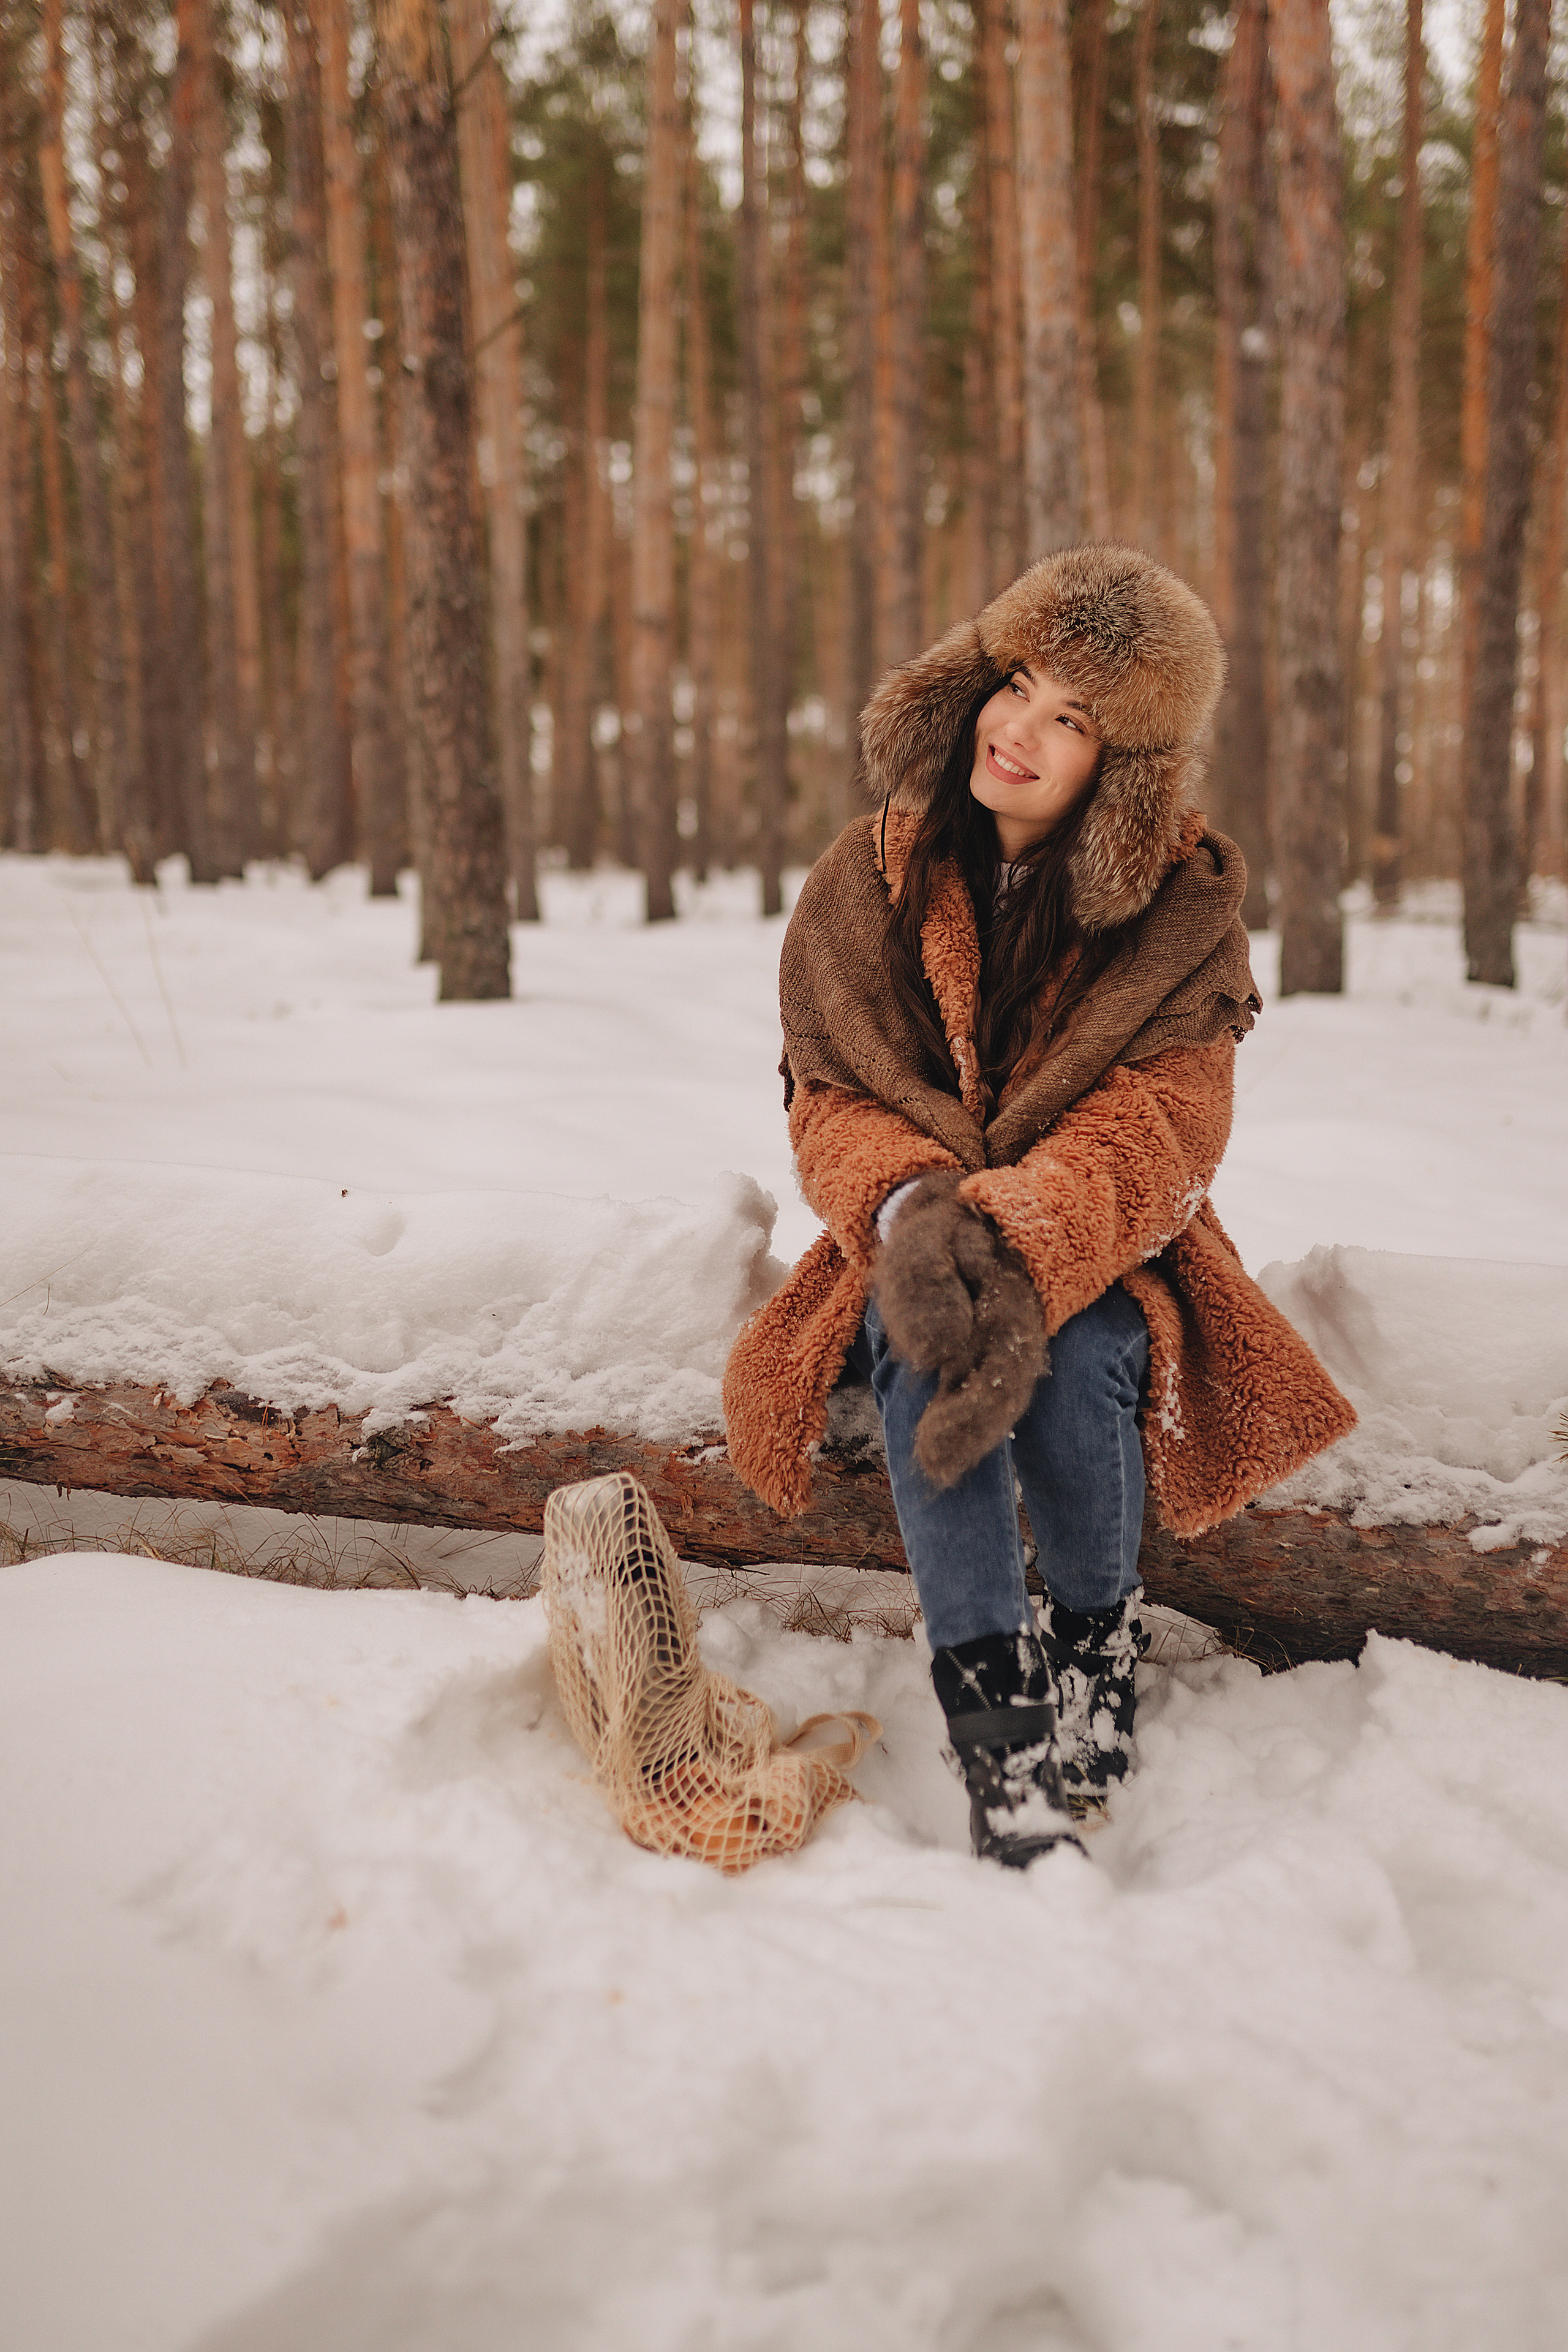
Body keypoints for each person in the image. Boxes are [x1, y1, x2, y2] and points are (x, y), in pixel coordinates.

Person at [723, 544, 1357, 1868]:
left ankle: (1091, 1647)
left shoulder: (1181, 914)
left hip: (1107, 1245)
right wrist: (914, 1212)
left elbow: (1164, 1126)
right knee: (925, 1329)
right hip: (901, 1235)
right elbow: (831, 1091)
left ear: (1120, 769)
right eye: (1015, 684)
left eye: (1071, 718)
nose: (1017, 730)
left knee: (1080, 1348)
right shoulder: (868, 875)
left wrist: (1016, 1234)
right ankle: (999, 1744)